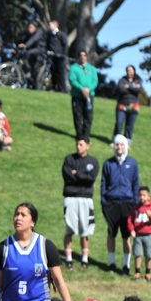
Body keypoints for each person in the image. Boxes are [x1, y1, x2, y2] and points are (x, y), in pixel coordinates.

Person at [101, 135, 139, 275]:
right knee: (111, 233)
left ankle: (126, 265)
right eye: (117, 145)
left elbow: (136, 184)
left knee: (126, 235)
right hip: (111, 203)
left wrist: (135, 204)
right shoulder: (108, 163)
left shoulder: (132, 163)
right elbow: (103, 184)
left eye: (121, 145)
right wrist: (104, 202)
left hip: (127, 204)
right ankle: (111, 263)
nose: (119, 147)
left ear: (126, 146)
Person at [61, 136, 100, 270]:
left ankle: (84, 259)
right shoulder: (69, 159)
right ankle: (68, 258)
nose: (78, 147)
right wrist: (82, 175)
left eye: (81, 144)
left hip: (85, 199)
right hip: (70, 197)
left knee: (85, 229)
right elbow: (67, 176)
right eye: (77, 144)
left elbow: (91, 179)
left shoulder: (93, 161)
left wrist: (76, 174)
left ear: (88, 146)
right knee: (70, 228)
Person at [128, 185, 151, 282]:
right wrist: (132, 230)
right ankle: (137, 272)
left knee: (148, 254)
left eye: (144, 195)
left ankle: (148, 273)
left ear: (149, 196)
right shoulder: (136, 208)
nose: (142, 197)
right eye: (140, 195)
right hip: (138, 235)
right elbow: (130, 219)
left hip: (148, 235)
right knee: (137, 253)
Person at [68, 50, 98, 139]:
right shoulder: (74, 68)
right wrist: (81, 89)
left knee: (88, 117)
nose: (82, 57)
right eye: (80, 55)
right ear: (78, 57)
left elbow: (95, 81)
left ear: (87, 57)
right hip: (77, 96)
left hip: (89, 96)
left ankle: (86, 136)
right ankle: (79, 135)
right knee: (77, 116)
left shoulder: (92, 69)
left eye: (84, 55)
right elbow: (72, 80)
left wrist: (89, 89)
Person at [114, 65, 143, 142]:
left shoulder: (138, 80)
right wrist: (133, 88)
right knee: (119, 123)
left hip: (134, 106)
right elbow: (121, 89)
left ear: (134, 71)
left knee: (130, 125)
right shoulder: (122, 80)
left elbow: (139, 89)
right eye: (127, 70)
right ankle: (116, 140)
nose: (129, 72)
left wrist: (129, 86)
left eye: (130, 70)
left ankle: (127, 142)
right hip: (122, 104)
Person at [17, 22, 47, 88]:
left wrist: (25, 45)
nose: (29, 29)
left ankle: (28, 70)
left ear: (35, 27)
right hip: (33, 52)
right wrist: (16, 48)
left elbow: (33, 40)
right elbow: (23, 41)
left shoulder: (39, 32)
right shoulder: (28, 34)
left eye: (31, 27)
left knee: (28, 53)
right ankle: (28, 74)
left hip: (40, 49)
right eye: (28, 27)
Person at [46, 20, 69, 92]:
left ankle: (62, 90)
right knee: (53, 73)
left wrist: (63, 55)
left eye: (51, 25)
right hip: (53, 57)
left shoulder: (61, 35)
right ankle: (54, 88)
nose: (49, 27)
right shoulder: (50, 35)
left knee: (61, 74)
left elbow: (65, 45)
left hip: (60, 58)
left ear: (55, 25)